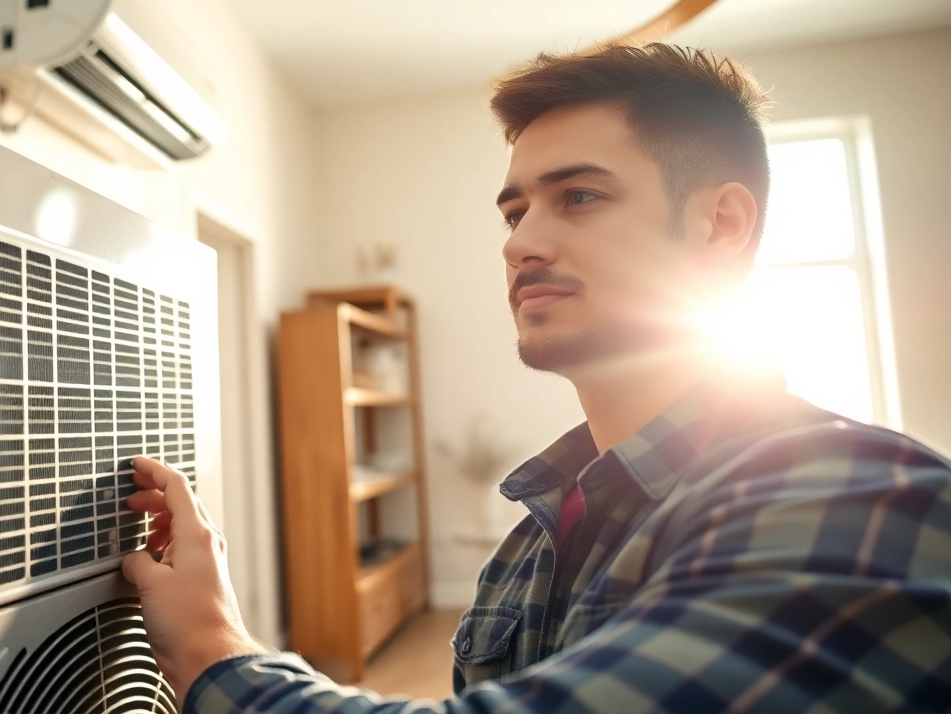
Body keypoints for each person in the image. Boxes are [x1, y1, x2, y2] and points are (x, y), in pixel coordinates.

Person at [120, 43, 951, 713]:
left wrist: (209, 646)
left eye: (580, 197)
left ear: (721, 224)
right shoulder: (526, 553)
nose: (519, 244)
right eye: (515, 212)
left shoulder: (860, 494)